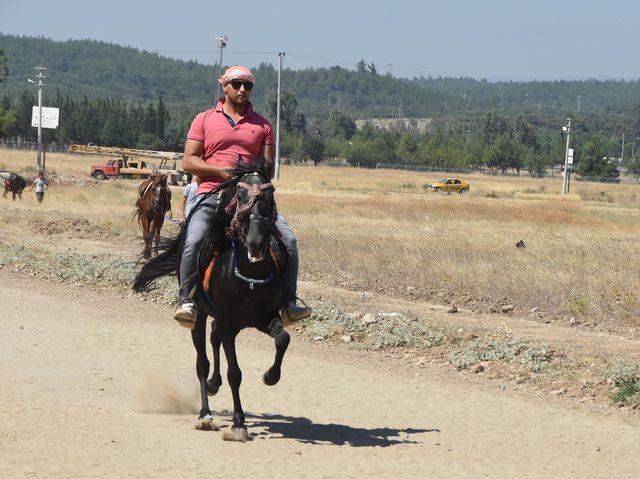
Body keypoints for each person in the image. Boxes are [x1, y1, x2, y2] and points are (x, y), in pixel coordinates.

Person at [173, 65, 311, 328]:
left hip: (253, 195)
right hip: (212, 192)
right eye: (236, 84)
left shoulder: (263, 125)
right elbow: (189, 162)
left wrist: (254, 175)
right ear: (224, 86)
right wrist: (221, 171)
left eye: (247, 85)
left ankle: (289, 303)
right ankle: (186, 300)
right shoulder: (203, 119)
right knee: (194, 238)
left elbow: (268, 169)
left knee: (290, 241)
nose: (242, 89)